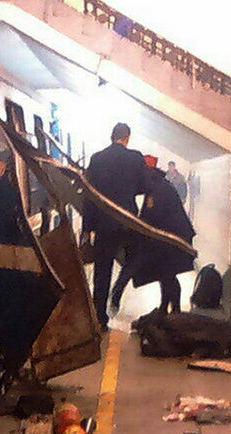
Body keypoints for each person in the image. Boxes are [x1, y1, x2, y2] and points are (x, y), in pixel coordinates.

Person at [83, 123, 149, 327]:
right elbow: (144, 187)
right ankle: (118, 288)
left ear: (112, 137)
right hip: (127, 221)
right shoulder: (136, 158)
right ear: (127, 137)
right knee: (137, 257)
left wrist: (87, 228)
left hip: (103, 222)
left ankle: (99, 317)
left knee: (102, 270)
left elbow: (89, 195)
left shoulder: (97, 159)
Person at [133, 166, 196, 314]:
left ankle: (175, 309)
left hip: (174, 238)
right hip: (171, 236)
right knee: (165, 274)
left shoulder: (157, 191)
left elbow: (152, 216)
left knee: (168, 274)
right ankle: (166, 306)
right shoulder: (159, 186)